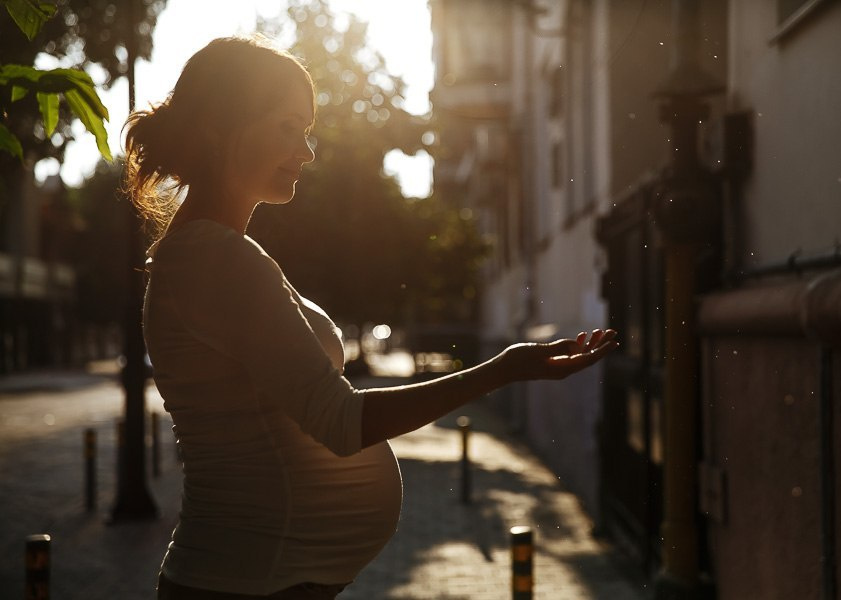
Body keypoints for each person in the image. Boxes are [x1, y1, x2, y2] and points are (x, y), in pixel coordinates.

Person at [124, 36, 618, 600]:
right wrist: (501, 370)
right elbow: (339, 421)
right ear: (221, 126)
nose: (306, 152)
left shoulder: (216, 251)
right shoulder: (214, 257)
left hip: (259, 577)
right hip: (247, 581)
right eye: (287, 127)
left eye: (306, 130)